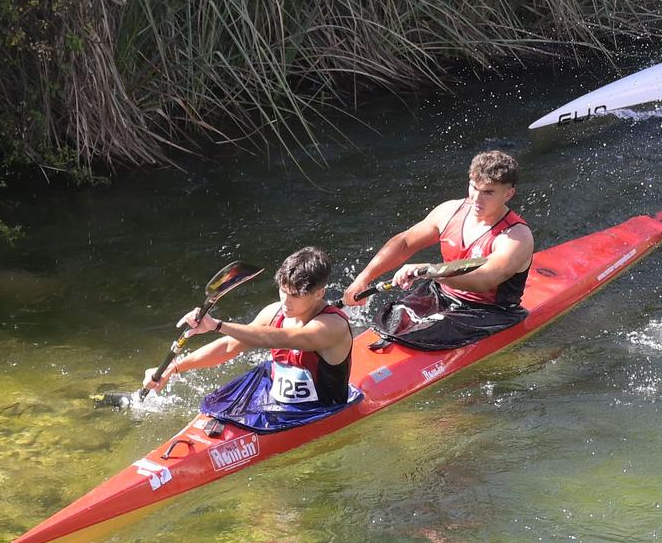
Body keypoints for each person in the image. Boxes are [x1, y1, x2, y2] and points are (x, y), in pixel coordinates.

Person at [340, 149, 536, 350]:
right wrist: (363, 279)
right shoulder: (450, 211)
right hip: (441, 293)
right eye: (473, 187)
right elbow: (405, 242)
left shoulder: (515, 237)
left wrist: (429, 271)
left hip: (489, 311)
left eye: (488, 192)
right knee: (393, 317)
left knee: (427, 330)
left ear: (508, 194)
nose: (476, 199)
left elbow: (486, 279)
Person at [141, 247, 358, 423]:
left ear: (319, 293)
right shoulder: (274, 312)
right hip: (274, 399)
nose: (285, 300)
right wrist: (175, 368)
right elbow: (230, 345)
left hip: (319, 411)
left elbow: (280, 338)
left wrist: (216, 324)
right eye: (282, 290)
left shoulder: (332, 326)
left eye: (294, 295)